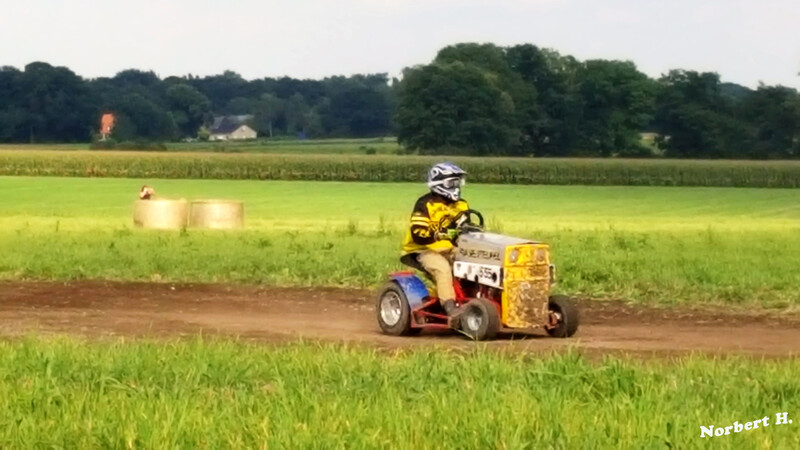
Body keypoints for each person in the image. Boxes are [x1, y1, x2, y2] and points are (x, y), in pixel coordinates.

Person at [401, 162, 470, 323]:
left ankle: (474, 298)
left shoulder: (461, 205)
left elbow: (466, 229)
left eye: (458, 183)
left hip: (449, 248)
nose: (457, 186)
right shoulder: (425, 204)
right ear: (440, 184)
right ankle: (450, 307)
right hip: (422, 249)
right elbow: (418, 233)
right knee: (442, 268)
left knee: (473, 261)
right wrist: (439, 235)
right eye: (453, 183)